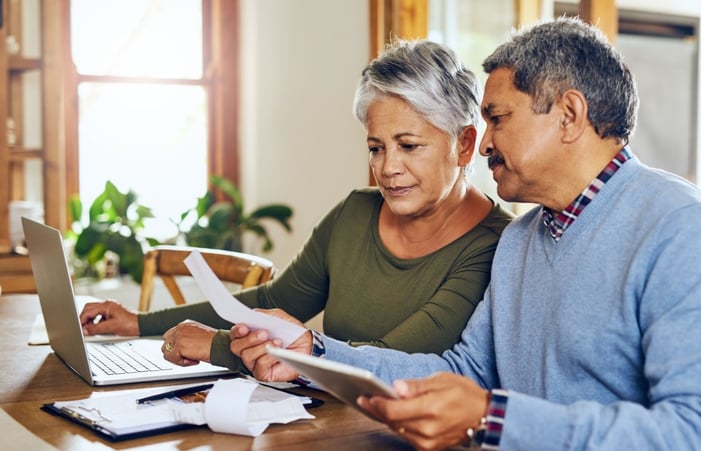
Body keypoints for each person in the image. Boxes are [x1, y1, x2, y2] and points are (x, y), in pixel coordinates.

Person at [228, 17, 701, 450]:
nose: (482, 144)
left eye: (497, 118)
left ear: (568, 115)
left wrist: (493, 418)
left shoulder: (682, 230)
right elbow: (464, 370)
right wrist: (315, 351)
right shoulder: (522, 240)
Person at [78, 39, 513, 372]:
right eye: (376, 148)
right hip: (321, 422)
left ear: (464, 144)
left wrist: (216, 345)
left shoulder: (495, 246)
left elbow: (390, 360)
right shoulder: (355, 212)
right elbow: (273, 298)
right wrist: (138, 322)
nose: (388, 168)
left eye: (409, 146)